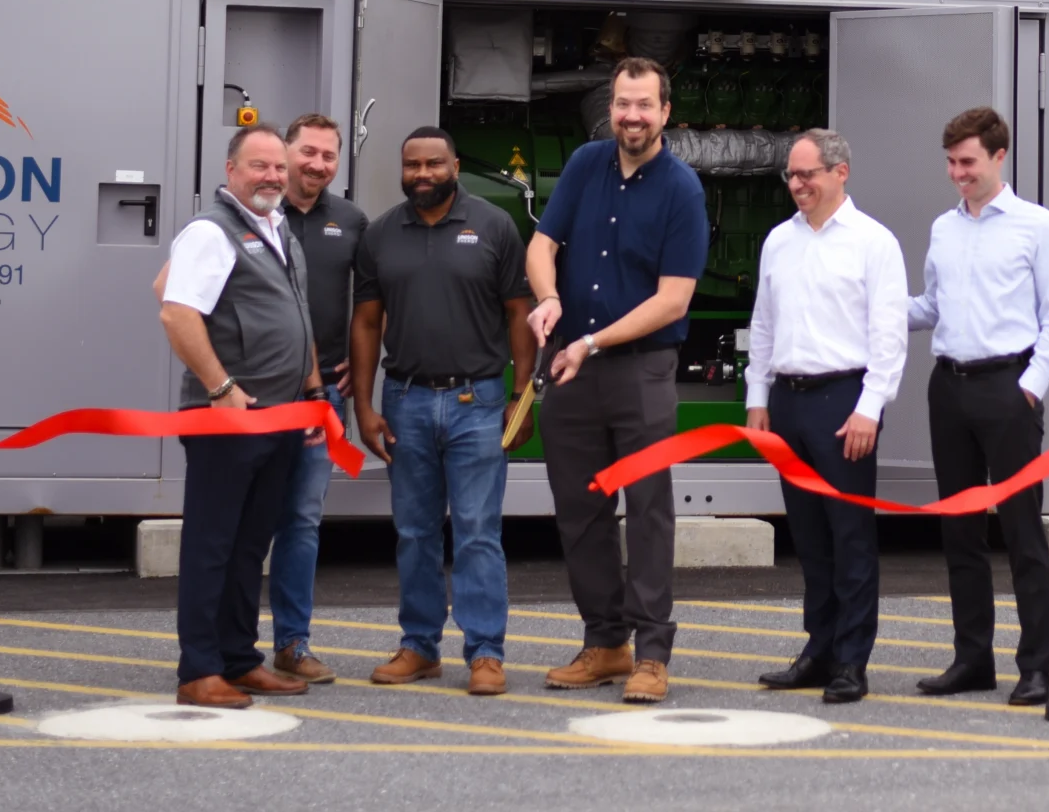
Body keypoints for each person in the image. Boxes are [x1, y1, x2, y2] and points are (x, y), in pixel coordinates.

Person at [525, 55, 709, 706]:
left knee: (650, 510)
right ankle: (606, 643)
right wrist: (546, 297)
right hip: (573, 370)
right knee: (581, 510)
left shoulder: (683, 188)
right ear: (613, 106)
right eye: (622, 103)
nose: (632, 115)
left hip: (640, 369)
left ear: (665, 112)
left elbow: (674, 299)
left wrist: (591, 338)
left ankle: (652, 652)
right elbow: (542, 244)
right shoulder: (584, 164)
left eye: (645, 104)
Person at [348, 127, 535, 696]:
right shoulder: (380, 234)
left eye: (433, 163)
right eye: (412, 165)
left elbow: (519, 313)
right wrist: (363, 404)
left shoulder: (494, 226)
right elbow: (366, 323)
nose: (422, 174)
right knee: (414, 532)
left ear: (455, 165)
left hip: (476, 401)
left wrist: (521, 398)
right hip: (404, 400)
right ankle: (420, 647)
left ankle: (485, 653)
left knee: (479, 531)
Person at [908, 105, 1049, 707]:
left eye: (968, 162)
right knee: (959, 533)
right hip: (948, 388)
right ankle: (972, 660)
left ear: (999, 157)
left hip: (1008, 388)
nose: (958, 173)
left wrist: (1028, 389)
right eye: (951, 163)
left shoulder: (1038, 228)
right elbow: (931, 306)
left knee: (1022, 531)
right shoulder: (943, 228)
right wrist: (873, 308)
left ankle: (1036, 668)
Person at [158, 124, 323, 708]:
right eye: (259, 167)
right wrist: (220, 385)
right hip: (228, 417)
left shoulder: (277, 228)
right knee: (212, 544)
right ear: (231, 170)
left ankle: (237, 657)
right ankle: (198, 670)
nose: (273, 177)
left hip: (278, 415)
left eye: (279, 167)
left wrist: (311, 391)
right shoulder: (212, 230)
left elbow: (164, 283)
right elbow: (176, 311)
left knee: (251, 543)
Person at [745, 128, 908, 705]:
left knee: (851, 536)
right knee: (809, 536)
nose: (796, 184)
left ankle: (851, 661)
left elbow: (888, 336)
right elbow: (763, 325)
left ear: (840, 172)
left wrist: (870, 408)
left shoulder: (873, 242)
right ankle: (818, 649)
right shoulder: (778, 242)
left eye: (807, 174)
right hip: (787, 402)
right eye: (791, 175)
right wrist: (756, 399)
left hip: (845, 403)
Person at [264, 113, 367, 685]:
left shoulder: (352, 222)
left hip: (325, 392)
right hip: (257, 394)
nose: (317, 165)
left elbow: (374, 302)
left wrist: (363, 356)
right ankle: (226, 645)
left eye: (328, 156)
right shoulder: (253, 215)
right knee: (245, 519)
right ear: (285, 152)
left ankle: (292, 644)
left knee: (301, 520)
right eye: (307, 152)